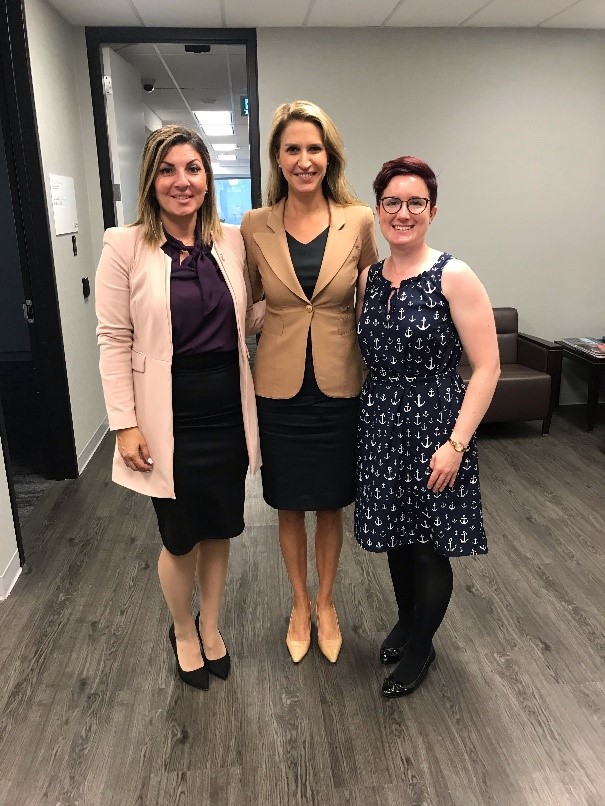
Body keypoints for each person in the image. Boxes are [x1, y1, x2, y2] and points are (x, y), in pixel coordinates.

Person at [95, 125, 263, 690]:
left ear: (207, 178)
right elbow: (113, 339)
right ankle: (183, 630)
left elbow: (253, 314)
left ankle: (212, 626)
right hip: (169, 415)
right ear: (151, 180)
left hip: (226, 409)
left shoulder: (232, 240)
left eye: (193, 168)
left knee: (219, 528)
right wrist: (124, 424)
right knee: (178, 535)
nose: (181, 181)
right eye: (168, 170)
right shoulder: (124, 246)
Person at [355, 156, 500, 697]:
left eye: (415, 203)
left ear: (432, 211)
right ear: (378, 210)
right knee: (396, 538)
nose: (403, 213)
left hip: (437, 427)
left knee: (428, 545)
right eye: (392, 202)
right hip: (381, 424)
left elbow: (487, 367)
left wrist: (456, 444)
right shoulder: (370, 278)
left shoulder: (453, 275)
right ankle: (407, 620)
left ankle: (422, 647)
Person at [241, 101, 378, 664]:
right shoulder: (253, 225)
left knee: (331, 504)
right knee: (288, 504)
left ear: (330, 156)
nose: (304, 160)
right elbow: (245, 298)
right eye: (292, 149)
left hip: (339, 382)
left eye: (314, 149)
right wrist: (262, 320)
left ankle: (326, 604)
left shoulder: (360, 219)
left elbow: (373, 292)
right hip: (277, 387)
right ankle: (298, 602)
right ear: (278, 157)